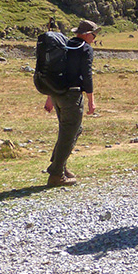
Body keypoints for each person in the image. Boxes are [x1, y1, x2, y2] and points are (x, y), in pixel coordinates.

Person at [42, 19, 99, 187]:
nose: (94, 38)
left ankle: (60, 165)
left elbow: (56, 72)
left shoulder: (64, 45)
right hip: (72, 96)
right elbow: (87, 75)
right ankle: (56, 174)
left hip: (57, 94)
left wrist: (50, 96)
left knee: (70, 130)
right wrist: (91, 101)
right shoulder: (85, 49)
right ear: (87, 35)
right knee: (69, 132)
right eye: (94, 35)